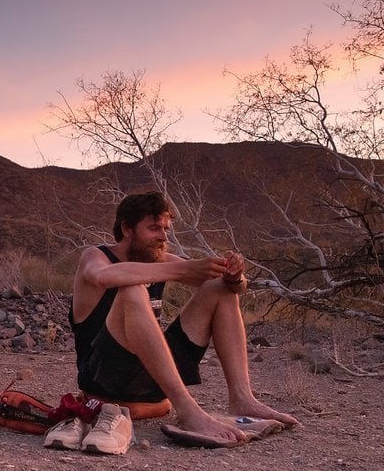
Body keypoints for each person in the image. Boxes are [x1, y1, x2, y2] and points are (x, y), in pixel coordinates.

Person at [68, 191, 297, 446]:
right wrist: (184, 269)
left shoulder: (160, 260)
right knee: (132, 290)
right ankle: (188, 410)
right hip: (104, 376)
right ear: (127, 228)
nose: (163, 237)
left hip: (149, 376)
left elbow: (234, 287)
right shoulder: (95, 256)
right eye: (154, 228)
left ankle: (243, 399)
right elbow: (103, 276)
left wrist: (234, 276)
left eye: (166, 229)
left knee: (219, 289)